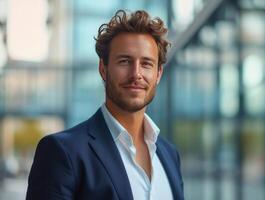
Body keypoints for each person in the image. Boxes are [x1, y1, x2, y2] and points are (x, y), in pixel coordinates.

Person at [26, 10, 184, 200]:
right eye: (124, 61)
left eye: (146, 64)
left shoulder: (169, 155)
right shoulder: (62, 152)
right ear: (103, 69)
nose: (136, 74)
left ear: (158, 74)